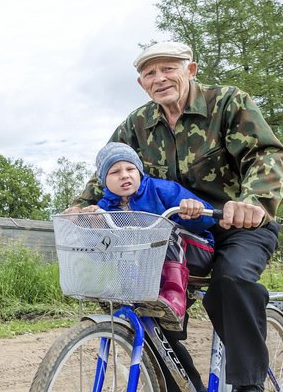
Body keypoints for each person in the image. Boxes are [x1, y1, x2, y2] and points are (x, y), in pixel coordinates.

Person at [69, 41, 283, 392]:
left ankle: (248, 386)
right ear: (142, 83)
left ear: (191, 70)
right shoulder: (136, 125)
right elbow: (108, 170)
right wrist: (80, 206)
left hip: (236, 224)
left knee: (231, 279)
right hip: (173, 233)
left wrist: (251, 201)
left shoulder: (227, 104)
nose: (160, 79)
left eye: (169, 68)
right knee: (142, 303)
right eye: (151, 73)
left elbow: (264, 154)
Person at [91, 141, 216, 332]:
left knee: (162, 229)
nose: (124, 175)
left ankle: (174, 297)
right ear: (103, 180)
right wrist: (94, 224)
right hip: (151, 265)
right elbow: (102, 246)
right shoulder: (105, 207)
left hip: (194, 253)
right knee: (118, 239)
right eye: (114, 172)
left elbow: (208, 219)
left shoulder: (162, 189)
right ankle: (123, 293)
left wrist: (194, 211)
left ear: (139, 172)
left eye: (130, 169)